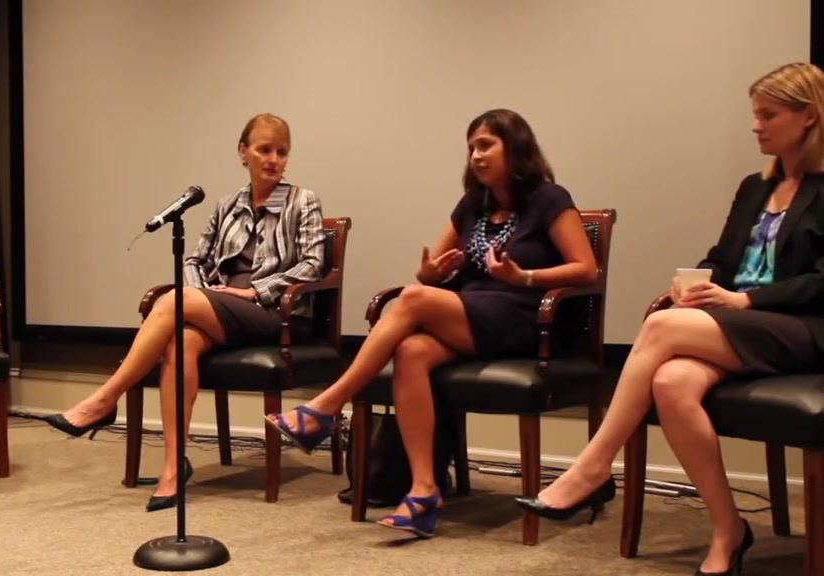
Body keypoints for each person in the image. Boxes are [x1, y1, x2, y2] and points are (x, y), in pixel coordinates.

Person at [515, 61, 824, 576]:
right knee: (672, 382)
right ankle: (729, 529)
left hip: (800, 329)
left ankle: (592, 468)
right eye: (755, 114)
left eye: (768, 115)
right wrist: (698, 280)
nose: (756, 125)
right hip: (736, 324)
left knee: (660, 326)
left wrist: (746, 302)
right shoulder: (755, 187)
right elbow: (721, 260)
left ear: (809, 116)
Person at [266, 108, 599, 538]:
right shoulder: (471, 204)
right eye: (471, 148)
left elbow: (586, 269)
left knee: (412, 300)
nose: (476, 156)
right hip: (471, 314)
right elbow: (427, 274)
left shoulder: (549, 199)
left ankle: (326, 406)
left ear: (514, 148)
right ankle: (423, 491)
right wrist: (431, 273)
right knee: (410, 349)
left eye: (485, 145)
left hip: (525, 319)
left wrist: (524, 277)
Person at [42, 113, 326, 512]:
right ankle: (173, 469)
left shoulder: (303, 201)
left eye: (282, 152)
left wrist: (252, 292)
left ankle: (105, 399)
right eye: (264, 149)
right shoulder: (227, 205)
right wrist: (203, 297)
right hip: (223, 308)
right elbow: (195, 258)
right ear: (243, 152)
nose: (273, 159)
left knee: (174, 302)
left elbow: (312, 265)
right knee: (181, 339)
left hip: (274, 314)